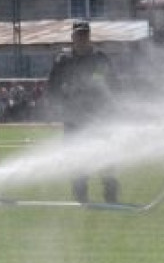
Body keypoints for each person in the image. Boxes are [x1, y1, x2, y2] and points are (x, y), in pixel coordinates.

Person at [46, 20, 120, 204]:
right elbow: (52, 86)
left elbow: (114, 84)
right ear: (72, 37)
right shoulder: (63, 60)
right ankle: (80, 191)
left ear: (89, 36)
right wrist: (56, 104)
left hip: (98, 115)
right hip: (73, 115)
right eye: (78, 35)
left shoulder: (99, 58)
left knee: (104, 153)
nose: (82, 38)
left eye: (85, 35)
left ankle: (110, 191)